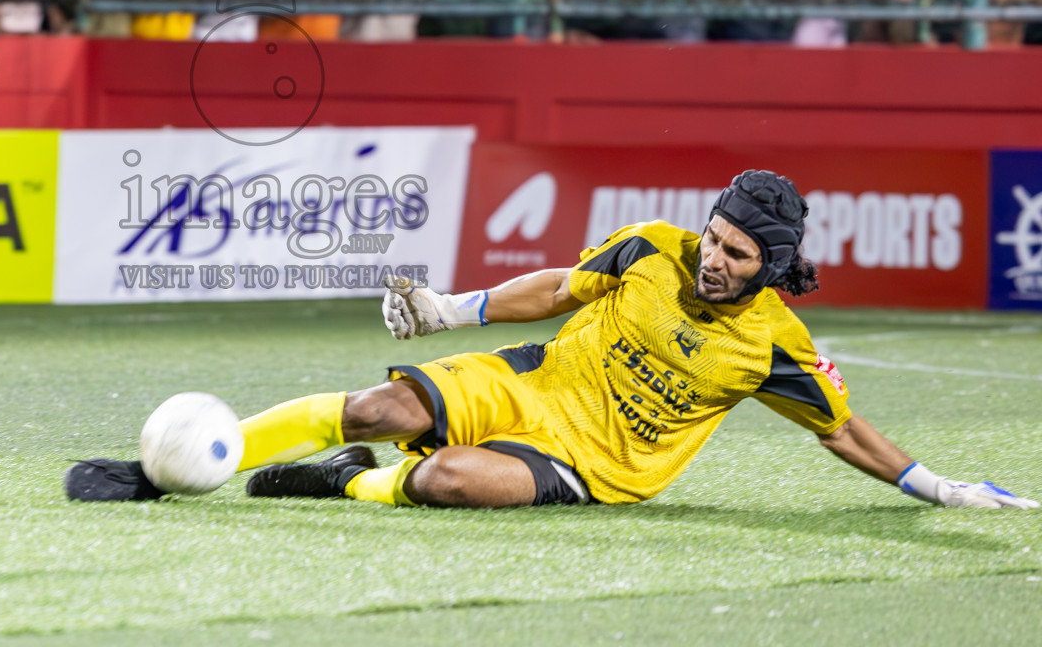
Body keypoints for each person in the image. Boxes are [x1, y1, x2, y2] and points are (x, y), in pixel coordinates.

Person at [65, 170, 1038, 513]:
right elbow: (559, 287)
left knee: (447, 477)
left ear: (770, 267)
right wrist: (454, 309)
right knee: (379, 405)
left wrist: (938, 485)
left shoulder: (776, 345)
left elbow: (844, 430)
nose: (712, 256)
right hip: (533, 381)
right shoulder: (656, 245)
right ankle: (181, 469)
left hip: (596, 466)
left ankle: (348, 479)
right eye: (714, 233)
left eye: (736, 252)